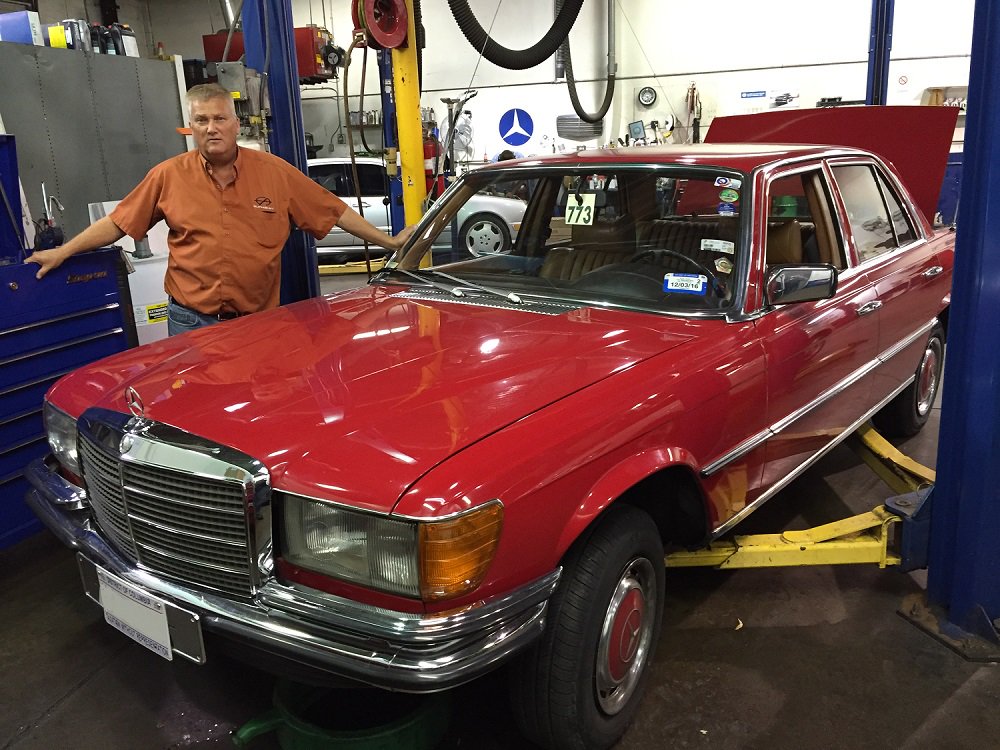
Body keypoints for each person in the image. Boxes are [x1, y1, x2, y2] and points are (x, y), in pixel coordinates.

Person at [25, 83, 414, 336]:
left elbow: (332, 210)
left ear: (236, 123)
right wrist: (64, 251)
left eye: (219, 118)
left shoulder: (275, 174)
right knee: (193, 412)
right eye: (202, 120)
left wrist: (389, 240)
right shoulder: (168, 176)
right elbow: (117, 223)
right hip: (190, 321)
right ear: (190, 127)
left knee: (253, 410)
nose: (211, 127)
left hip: (258, 324)